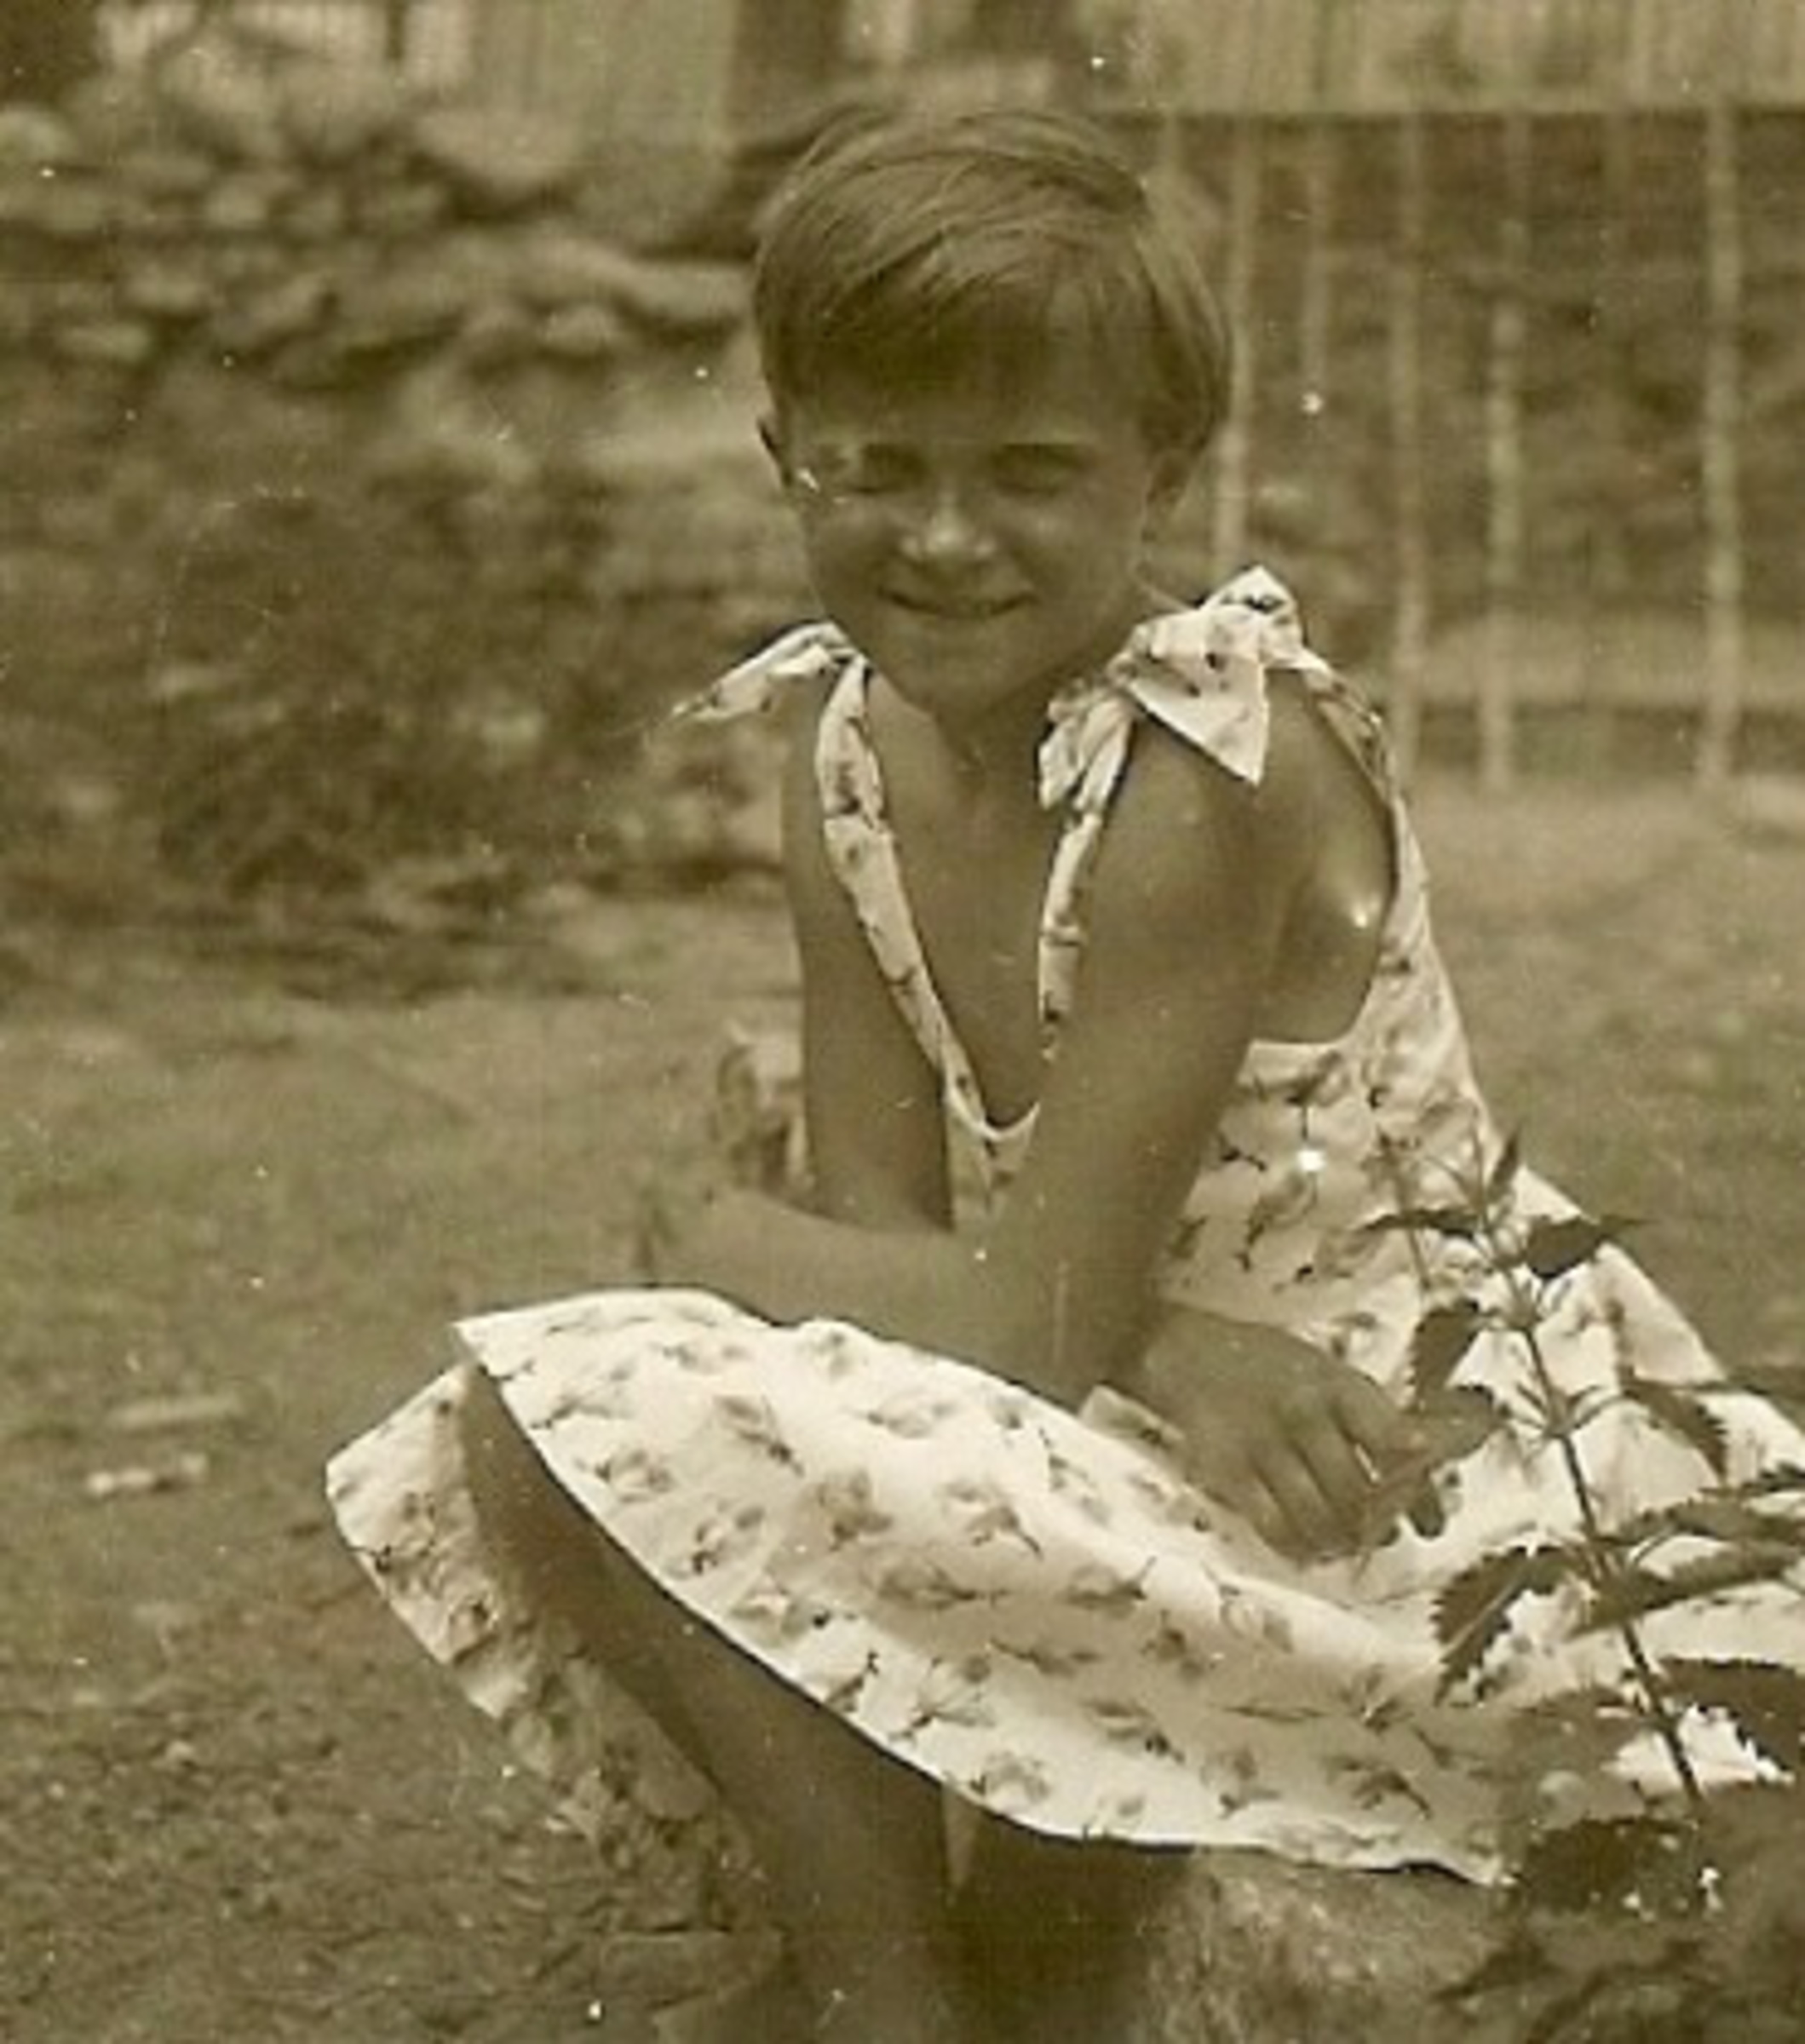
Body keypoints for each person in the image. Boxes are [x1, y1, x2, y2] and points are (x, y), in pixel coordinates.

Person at [328, 109, 1805, 2042]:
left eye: (1028, 472)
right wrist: (1157, 1345)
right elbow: (888, 1247)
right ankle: (901, 1984)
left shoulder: (1204, 765)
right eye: (877, 469)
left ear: (1159, 471)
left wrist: (716, 1237)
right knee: (529, 1429)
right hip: (1162, 1407)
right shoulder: (844, 749)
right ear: (783, 456)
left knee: (603, 1390)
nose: (946, 538)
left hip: (1385, 1483)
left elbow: (987, 1311)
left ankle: (906, 2001)